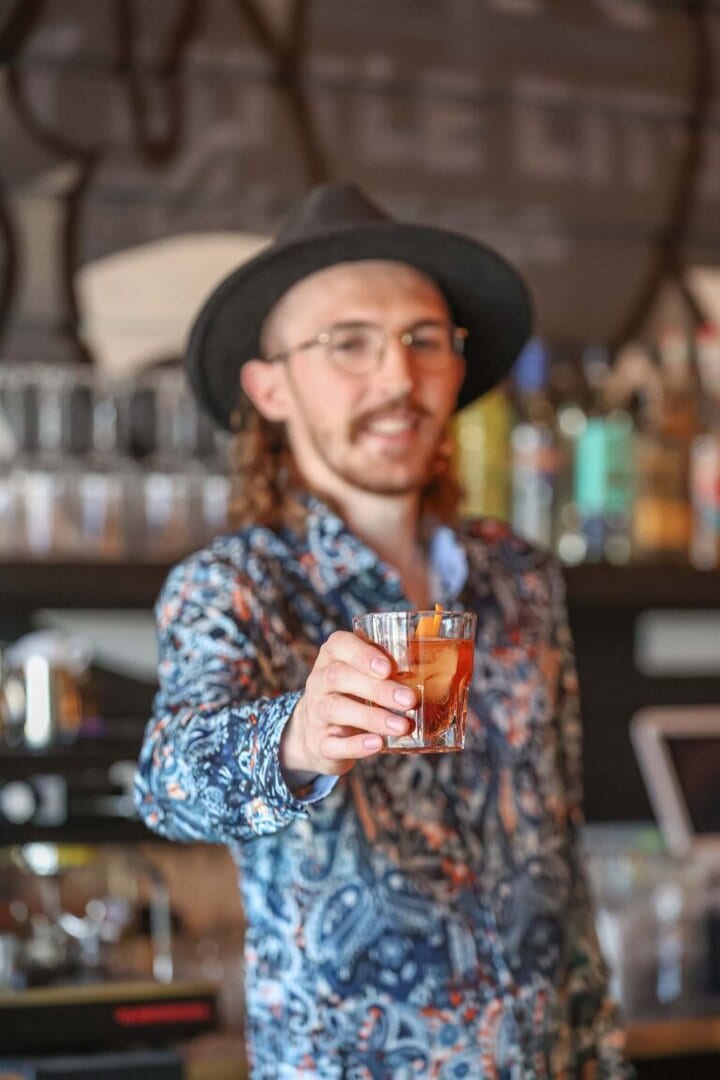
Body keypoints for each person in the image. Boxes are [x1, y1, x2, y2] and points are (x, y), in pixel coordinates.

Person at [134, 183, 632, 1078]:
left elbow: (560, 853)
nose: (398, 377)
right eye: (349, 344)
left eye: (423, 340)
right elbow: (168, 782)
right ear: (270, 386)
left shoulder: (519, 577)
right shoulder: (238, 585)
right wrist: (296, 737)